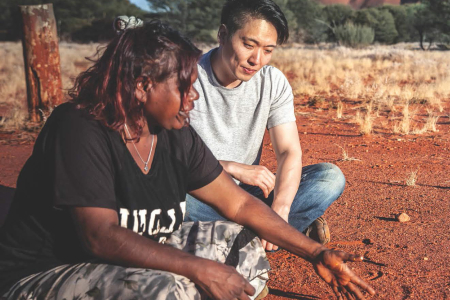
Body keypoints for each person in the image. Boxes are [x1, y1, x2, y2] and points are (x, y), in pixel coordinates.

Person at [0, 20, 375, 300]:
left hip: (120, 261)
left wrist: (317, 252)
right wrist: (200, 269)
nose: (193, 97)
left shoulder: (172, 133)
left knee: (242, 244)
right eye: (183, 86)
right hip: (47, 271)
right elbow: (99, 236)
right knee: (166, 287)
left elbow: (239, 202)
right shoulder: (80, 127)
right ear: (143, 86)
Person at [186, 0, 345, 252]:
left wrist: (280, 208)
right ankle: (270, 235)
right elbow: (164, 160)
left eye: (268, 50)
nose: (256, 60)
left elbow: (288, 151)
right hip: (202, 193)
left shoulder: (272, 82)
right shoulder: (186, 78)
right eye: (248, 45)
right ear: (223, 34)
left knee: (329, 177)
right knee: (174, 201)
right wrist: (229, 167)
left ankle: (240, 237)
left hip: (251, 197)